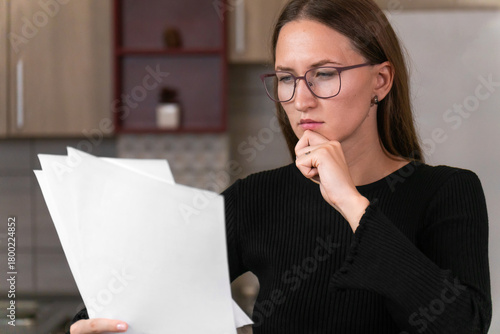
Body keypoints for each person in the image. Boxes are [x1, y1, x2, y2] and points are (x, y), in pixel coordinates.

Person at [67, 0, 492, 333]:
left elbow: (462, 324)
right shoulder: (256, 197)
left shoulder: (447, 192)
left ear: (380, 81)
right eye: (286, 78)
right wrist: (95, 324)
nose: (300, 99)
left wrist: (350, 203)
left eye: (323, 74)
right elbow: (131, 293)